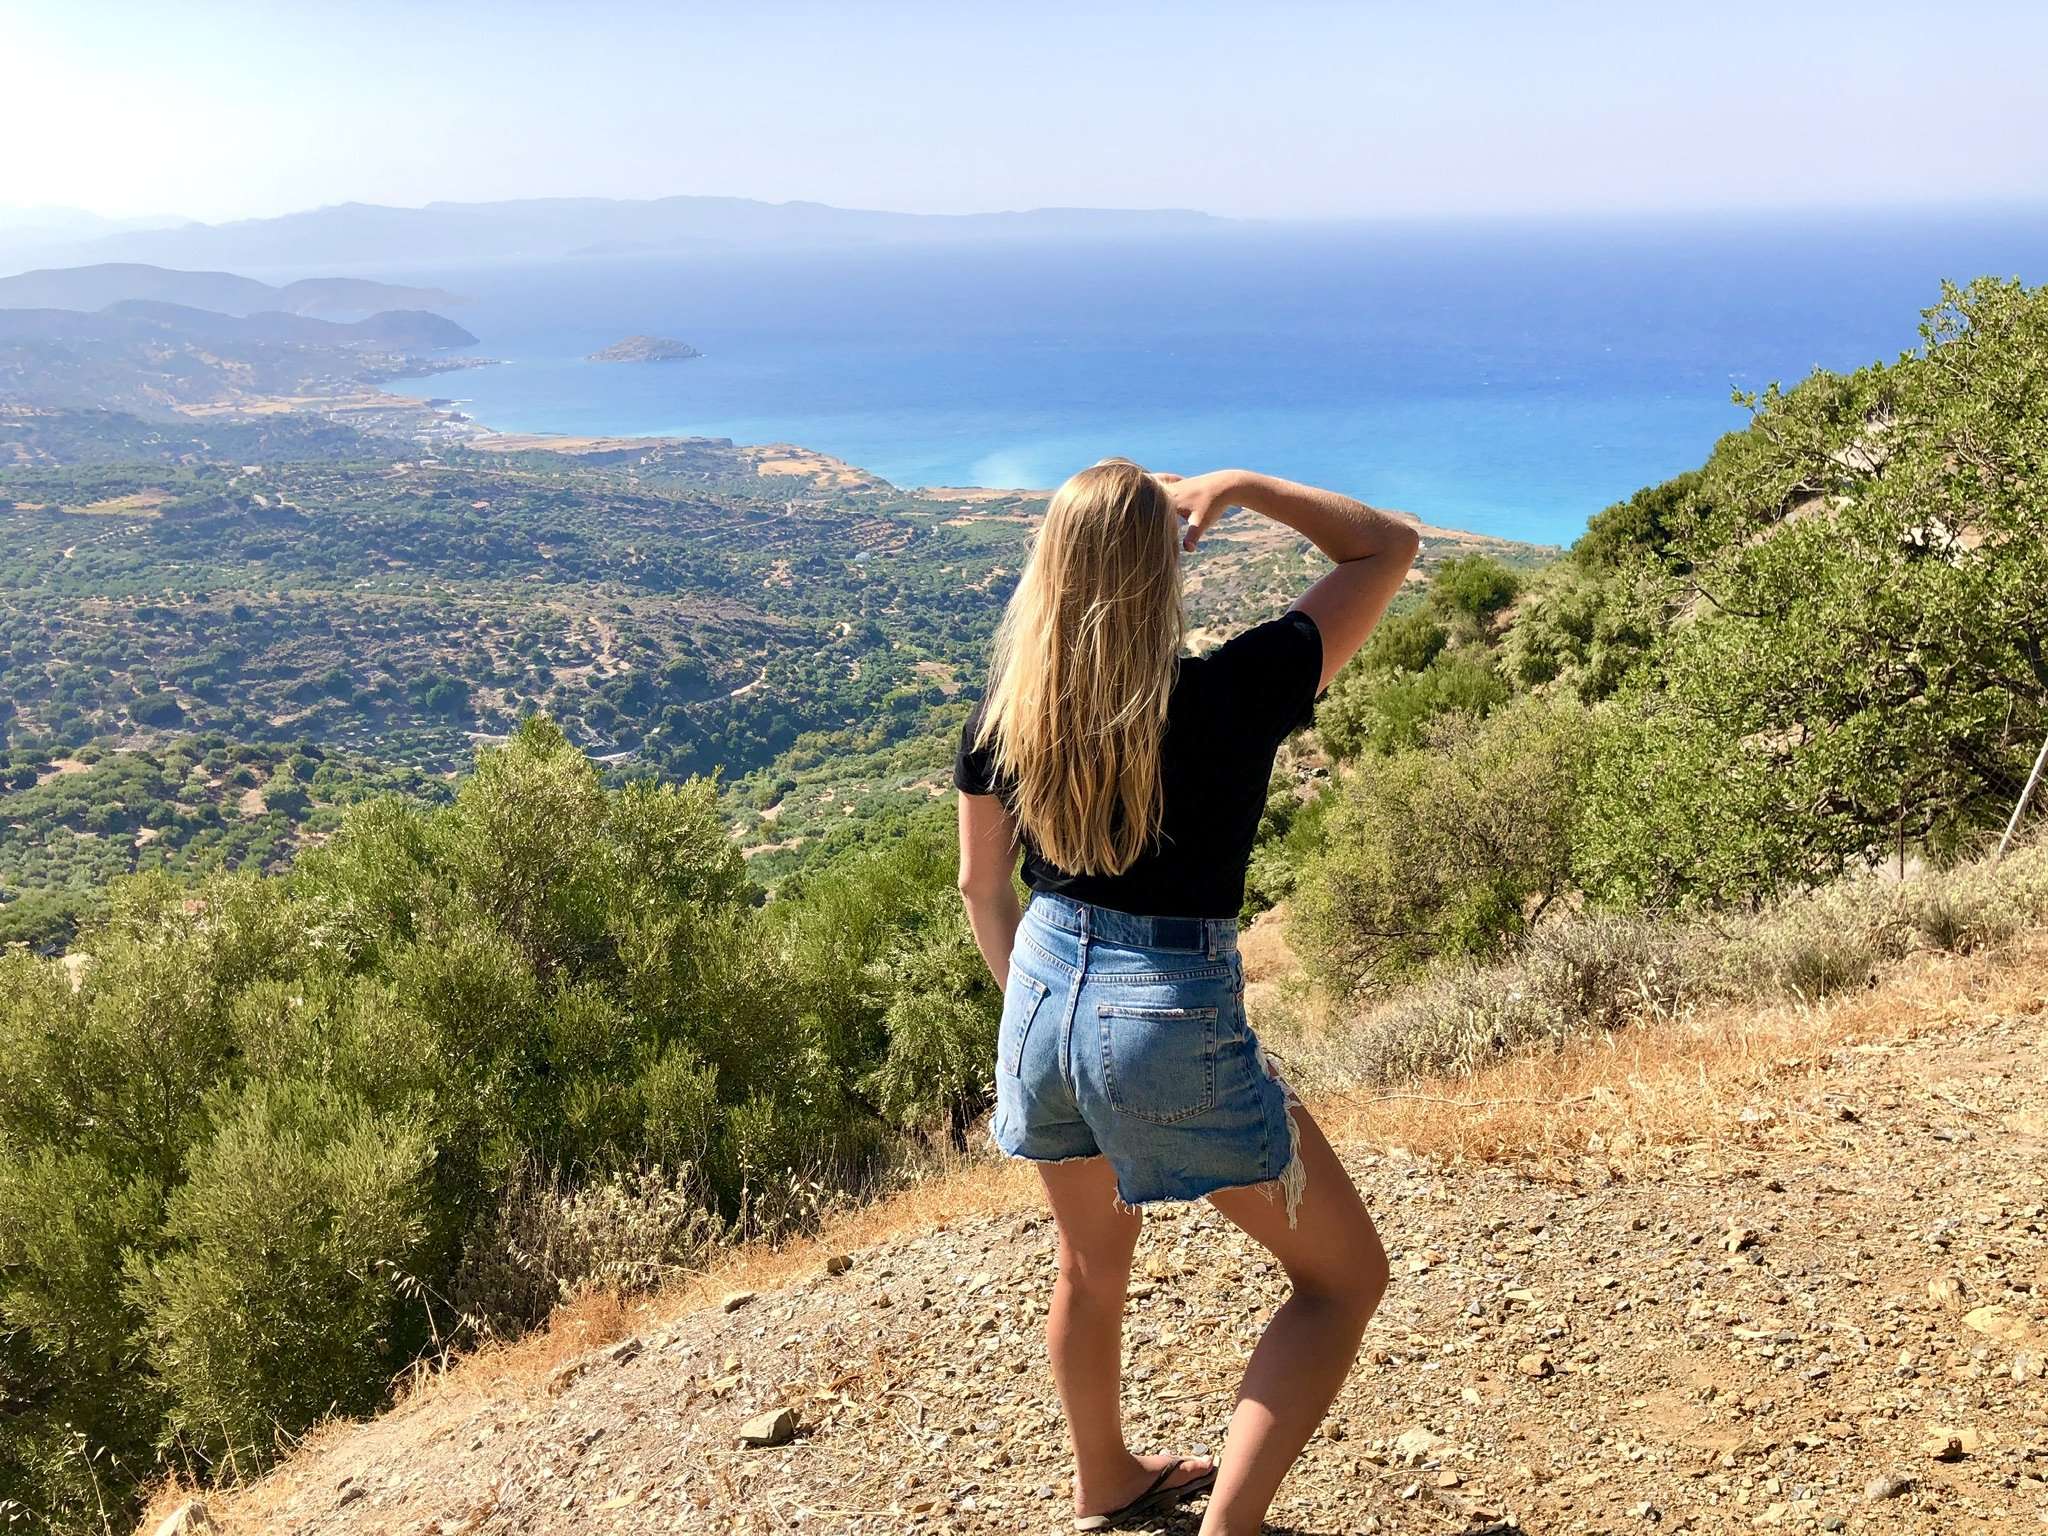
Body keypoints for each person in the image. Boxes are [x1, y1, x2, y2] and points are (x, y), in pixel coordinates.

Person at [954, 460, 1419, 1534]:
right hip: (1162, 1010)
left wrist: (1047, 1018)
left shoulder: (1007, 714)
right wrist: (1242, 485)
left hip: (1037, 997)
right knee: (1342, 1281)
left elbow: (983, 889)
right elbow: (1385, 546)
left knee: (1088, 1267)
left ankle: (1104, 1481)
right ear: (1164, 567)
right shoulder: (1232, 691)